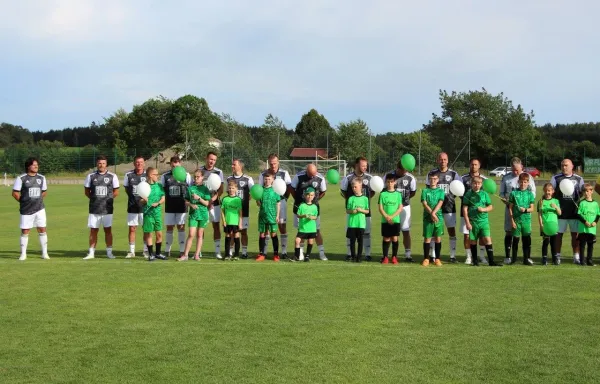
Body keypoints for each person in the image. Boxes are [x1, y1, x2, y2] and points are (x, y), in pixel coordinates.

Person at [425, 152, 462, 262]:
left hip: (449, 207)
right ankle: (432, 255)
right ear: (437, 160)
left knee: (451, 230)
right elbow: (428, 190)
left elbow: (459, 189)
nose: (443, 161)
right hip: (434, 208)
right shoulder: (432, 173)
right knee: (433, 231)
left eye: (445, 159)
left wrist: (450, 197)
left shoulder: (454, 174)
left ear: (448, 160)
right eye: (441, 159)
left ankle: (452, 255)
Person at [499, 157, 536, 265]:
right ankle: (508, 256)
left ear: (522, 167)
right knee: (509, 231)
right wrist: (504, 200)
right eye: (514, 170)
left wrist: (524, 204)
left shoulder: (528, 177)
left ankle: (527, 257)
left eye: (518, 170)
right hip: (510, 210)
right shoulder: (506, 178)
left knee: (526, 234)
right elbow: (501, 193)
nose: (516, 172)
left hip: (524, 212)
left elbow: (533, 192)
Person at [83, 155, 120, 259]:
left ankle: (109, 252)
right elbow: (87, 192)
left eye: (103, 163)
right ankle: (91, 253)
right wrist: (95, 199)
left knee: (108, 230)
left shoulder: (113, 176)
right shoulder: (91, 176)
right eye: (99, 163)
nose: (101, 165)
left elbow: (116, 192)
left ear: (106, 164)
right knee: (93, 230)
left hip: (107, 209)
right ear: (97, 164)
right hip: (94, 209)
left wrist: (107, 200)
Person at [12, 157, 49, 260]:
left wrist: (38, 200)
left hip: (40, 208)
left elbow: (44, 191)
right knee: (25, 230)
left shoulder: (42, 178)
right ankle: (23, 254)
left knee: (42, 229)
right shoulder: (21, 178)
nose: (36, 166)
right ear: (28, 166)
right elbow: (15, 193)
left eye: (37, 164)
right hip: (26, 209)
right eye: (34, 165)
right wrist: (23, 201)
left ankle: (44, 253)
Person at [550, 159, 585, 264]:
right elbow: (550, 192)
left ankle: (576, 257)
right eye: (562, 165)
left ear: (572, 166)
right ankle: (557, 257)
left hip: (574, 212)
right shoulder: (555, 178)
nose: (564, 167)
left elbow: (582, 192)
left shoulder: (579, 179)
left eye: (566, 165)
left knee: (575, 235)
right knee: (558, 235)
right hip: (560, 213)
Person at [340, 157, 375, 260]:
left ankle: (367, 254)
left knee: (367, 232)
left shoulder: (369, 177)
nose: (365, 167)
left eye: (366, 165)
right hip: (351, 211)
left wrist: (364, 200)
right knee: (350, 233)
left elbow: (373, 191)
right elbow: (343, 191)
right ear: (356, 165)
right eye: (363, 165)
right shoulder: (348, 177)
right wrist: (352, 201)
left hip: (365, 210)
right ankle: (349, 254)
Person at [258, 154, 292, 258]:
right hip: (266, 205)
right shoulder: (263, 174)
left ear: (278, 162)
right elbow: (259, 190)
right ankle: (264, 252)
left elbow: (289, 187)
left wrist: (284, 198)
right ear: (269, 162)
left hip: (279, 203)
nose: (273, 165)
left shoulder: (284, 173)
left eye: (275, 163)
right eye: (271, 163)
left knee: (282, 226)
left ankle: (284, 251)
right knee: (266, 228)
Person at [291, 164, 327, 260]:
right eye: (310, 174)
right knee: (301, 230)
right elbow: (292, 188)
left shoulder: (320, 178)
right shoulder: (298, 176)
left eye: (314, 174)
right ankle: (301, 253)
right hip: (300, 207)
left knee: (317, 231)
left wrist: (315, 200)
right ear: (306, 171)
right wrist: (298, 200)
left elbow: (323, 191)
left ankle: (321, 253)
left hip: (313, 209)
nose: (312, 176)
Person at [461, 176, 499, 266]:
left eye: (478, 183)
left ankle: (491, 261)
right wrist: (467, 222)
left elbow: (490, 206)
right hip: (473, 222)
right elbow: (464, 209)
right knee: (473, 241)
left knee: (487, 239)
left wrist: (484, 209)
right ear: (471, 184)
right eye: (474, 183)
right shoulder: (468, 194)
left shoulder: (484, 194)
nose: (476, 185)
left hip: (484, 221)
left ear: (481, 184)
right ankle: (475, 261)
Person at [384, 161, 417, 262]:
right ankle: (388, 255)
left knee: (406, 231)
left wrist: (403, 202)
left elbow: (413, 192)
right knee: (390, 232)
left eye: (406, 170)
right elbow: (383, 190)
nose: (404, 172)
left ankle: (408, 254)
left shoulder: (411, 178)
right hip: (391, 208)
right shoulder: (388, 176)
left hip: (405, 207)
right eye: (402, 170)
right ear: (397, 168)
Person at [160, 156, 191, 258]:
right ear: (170, 164)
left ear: (180, 163)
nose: (175, 164)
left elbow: (190, 190)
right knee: (169, 228)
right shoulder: (165, 176)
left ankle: (182, 250)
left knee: (181, 227)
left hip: (182, 206)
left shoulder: (187, 175)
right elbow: (162, 191)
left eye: (177, 162)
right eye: (173, 163)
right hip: (170, 206)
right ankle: (167, 250)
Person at [460, 158, 489, 265]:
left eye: (476, 164)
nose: (473, 166)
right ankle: (469, 256)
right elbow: (459, 192)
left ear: (479, 166)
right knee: (467, 234)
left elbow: (486, 196)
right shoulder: (463, 178)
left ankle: (481, 256)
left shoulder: (484, 179)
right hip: (466, 211)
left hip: (481, 214)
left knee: (482, 235)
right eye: (472, 164)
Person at [180, 170, 212, 261]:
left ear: (202, 177)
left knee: (199, 234)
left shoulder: (205, 189)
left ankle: (197, 254)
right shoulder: (190, 189)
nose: (196, 178)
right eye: (195, 177)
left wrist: (199, 198)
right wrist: (191, 205)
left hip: (203, 214)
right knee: (191, 234)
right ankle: (185, 255)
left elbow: (207, 203)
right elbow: (186, 201)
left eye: (198, 177)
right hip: (193, 214)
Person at [227, 159, 254, 259]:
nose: (232, 166)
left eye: (234, 164)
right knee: (232, 232)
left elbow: (253, 192)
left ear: (240, 166)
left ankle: (244, 252)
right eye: (232, 164)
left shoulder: (248, 179)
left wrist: (246, 201)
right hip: (231, 212)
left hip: (244, 211)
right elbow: (228, 194)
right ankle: (230, 252)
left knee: (243, 231)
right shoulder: (229, 179)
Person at [200, 152, 225, 259]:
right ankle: (199, 251)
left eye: (214, 160)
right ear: (206, 158)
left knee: (216, 226)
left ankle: (217, 251)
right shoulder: (200, 170)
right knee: (201, 227)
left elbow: (221, 189)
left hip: (215, 204)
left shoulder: (219, 172)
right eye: (210, 159)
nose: (212, 162)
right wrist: (204, 201)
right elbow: (197, 187)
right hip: (202, 204)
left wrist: (212, 200)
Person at [508, 173, 536, 265]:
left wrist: (525, 210)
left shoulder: (530, 194)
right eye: (521, 182)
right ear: (518, 181)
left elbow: (532, 209)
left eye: (525, 182)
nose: (523, 184)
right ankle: (514, 259)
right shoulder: (513, 193)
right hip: (516, 221)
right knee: (515, 240)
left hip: (526, 221)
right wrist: (512, 221)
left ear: (528, 183)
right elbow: (510, 208)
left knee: (526, 241)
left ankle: (526, 259)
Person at [123, 155, 148, 259]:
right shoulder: (128, 175)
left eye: (141, 162)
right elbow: (126, 189)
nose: (139, 164)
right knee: (132, 228)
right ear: (134, 163)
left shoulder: (148, 175)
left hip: (145, 207)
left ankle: (146, 250)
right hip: (132, 206)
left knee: (146, 229)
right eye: (137, 162)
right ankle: (131, 251)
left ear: (144, 163)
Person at [140, 167, 166, 261]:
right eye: (156, 174)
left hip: (157, 214)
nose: (157, 176)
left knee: (159, 234)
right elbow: (140, 200)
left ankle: (158, 253)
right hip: (148, 214)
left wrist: (158, 203)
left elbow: (163, 198)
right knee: (149, 234)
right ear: (151, 175)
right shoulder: (143, 186)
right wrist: (144, 200)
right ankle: (151, 254)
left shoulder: (159, 186)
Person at [378, 173, 403, 264]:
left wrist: (391, 217)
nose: (390, 183)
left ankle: (394, 257)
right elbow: (380, 208)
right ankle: (385, 257)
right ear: (386, 182)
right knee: (386, 238)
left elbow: (400, 208)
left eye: (391, 182)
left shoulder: (398, 194)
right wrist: (386, 217)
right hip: (385, 220)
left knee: (395, 238)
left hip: (395, 220)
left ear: (395, 182)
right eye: (388, 182)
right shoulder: (383, 194)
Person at [421, 172, 445, 266]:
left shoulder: (441, 191)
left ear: (438, 180)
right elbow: (424, 203)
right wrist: (431, 213)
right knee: (427, 238)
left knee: (438, 238)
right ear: (428, 179)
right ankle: (426, 258)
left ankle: (437, 259)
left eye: (435, 179)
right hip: (427, 218)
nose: (432, 180)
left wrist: (434, 214)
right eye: (431, 178)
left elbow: (440, 202)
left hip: (438, 218)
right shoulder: (424, 191)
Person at [257, 171, 281, 261]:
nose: (267, 180)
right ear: (263, 180)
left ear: (272, 180)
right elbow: (258, 203)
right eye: (266, 179)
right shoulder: (260, 190)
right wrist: (257, 201)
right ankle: (261, 254)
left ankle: (276, 254)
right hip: (262, 216)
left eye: (269, 179)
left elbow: (278, 204)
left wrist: (278, 215)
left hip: (272, 215)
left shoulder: (275, 190)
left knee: (273, 234)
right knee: (262, 234)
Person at [346, 178, 370, 262]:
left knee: (360, 241)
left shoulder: (365, 199)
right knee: (352, 241)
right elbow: (347, 210)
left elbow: (367, 211)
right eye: (352, 187)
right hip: (352, 223)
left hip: (361, 224)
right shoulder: (351, 198)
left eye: (355, 187)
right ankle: (353, 256)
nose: (354, 188)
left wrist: (361, 210)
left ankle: (359, 257)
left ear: (360, 186)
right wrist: (352, 211)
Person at [537, 183, 561, 265]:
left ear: (553, 191)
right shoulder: (541, 201)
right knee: (545, 242)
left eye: (549, 191)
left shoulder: (556, 201)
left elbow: (560, 213)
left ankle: (555, 259)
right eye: (546, 191)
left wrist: (556, 207)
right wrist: (541, 225)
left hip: (553, 226)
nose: (547, 192)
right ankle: (544, 259)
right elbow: (539, 214)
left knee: (553, 243)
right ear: (544, 191)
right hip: (545, 226)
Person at [577, 183, 600, 266]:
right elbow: (578, 214)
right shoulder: (581, 203)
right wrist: (585, 222)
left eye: (587, 191)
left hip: (592, 229)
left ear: (592, 191)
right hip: (583, 228)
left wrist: (595, 222)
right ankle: (582, 261)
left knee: (590, 245)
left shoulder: (595, 204)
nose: (586, 193)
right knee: (582, 245)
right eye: (584, 191)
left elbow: (598, 214)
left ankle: (589, 261)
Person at [294, 187, 319, 262]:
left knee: (310, 241)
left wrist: (311, 217)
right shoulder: (302, 206)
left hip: (311, 228)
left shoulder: (314, 206)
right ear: (305, 196)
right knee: (297, 241)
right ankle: (297, 256)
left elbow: (315, 217)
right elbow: (298, 215)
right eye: (308, 195)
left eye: (311, 195)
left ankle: (307, 256)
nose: (309, 197)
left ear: (314, 196)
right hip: (303, 228)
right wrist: (304, 216)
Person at [221, 180, 243, 261]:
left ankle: (236, 255)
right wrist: (223, 221)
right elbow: (222, 211)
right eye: (229, 188)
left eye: (233, 188)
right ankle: (227, 255)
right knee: (228, 237)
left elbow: (240, 213)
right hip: (227, 222)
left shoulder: (238, 199)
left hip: (235, 222)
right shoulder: (225, 199)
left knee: (236, 237)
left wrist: (240, 223)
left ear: (236, 189)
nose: (231, 190)